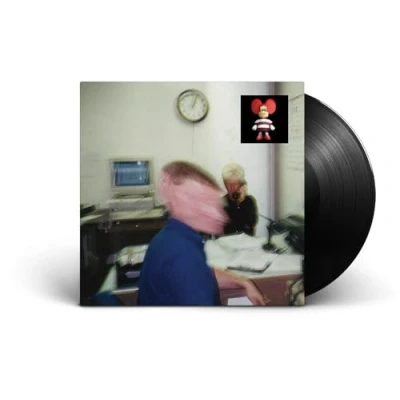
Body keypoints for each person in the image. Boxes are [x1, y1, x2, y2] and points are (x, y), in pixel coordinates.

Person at [137, 160, 265, 306]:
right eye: (206, 202)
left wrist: (244, 282)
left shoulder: (174, 236)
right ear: (182, 202)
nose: (219, 215)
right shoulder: (183, 252)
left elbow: (204, 273)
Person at [221, 163, 258, 236]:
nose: (232, 187)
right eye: (229, 184)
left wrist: (242, 201)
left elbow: (252, 226)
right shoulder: (220, 203)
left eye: (236, 183)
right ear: (225, 184)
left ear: (241, 184)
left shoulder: (249, 201)